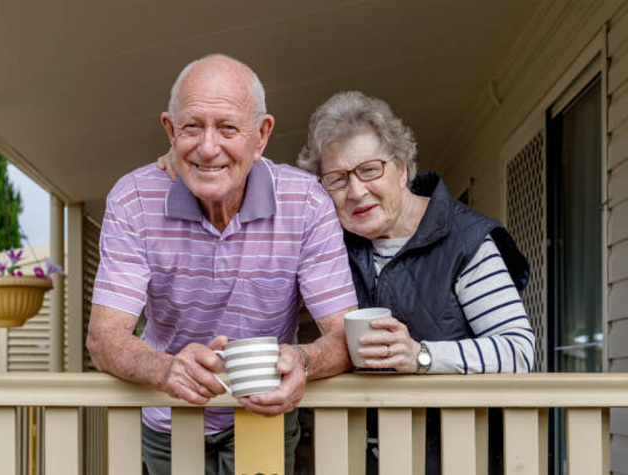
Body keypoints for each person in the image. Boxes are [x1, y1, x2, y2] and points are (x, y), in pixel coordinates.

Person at [86, 54, 358, 475]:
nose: (208, 147)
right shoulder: (133, 200)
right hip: (169, 414)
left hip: (262, 414)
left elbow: (344, 334)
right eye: (192, 127)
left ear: (262, 134)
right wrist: (167, 369)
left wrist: (302, 361)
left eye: (228, 127)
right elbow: (103, 339)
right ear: (170, 131)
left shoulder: (305, 202)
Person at [296, 91, 536, 474]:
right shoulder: (330, 246)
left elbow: (519, 351)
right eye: (337, 179)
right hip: (360, 457)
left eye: (370, 169)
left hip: (457, 458)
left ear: (402, 166)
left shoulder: (465, 240)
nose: (356, 191)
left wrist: (422, 356)